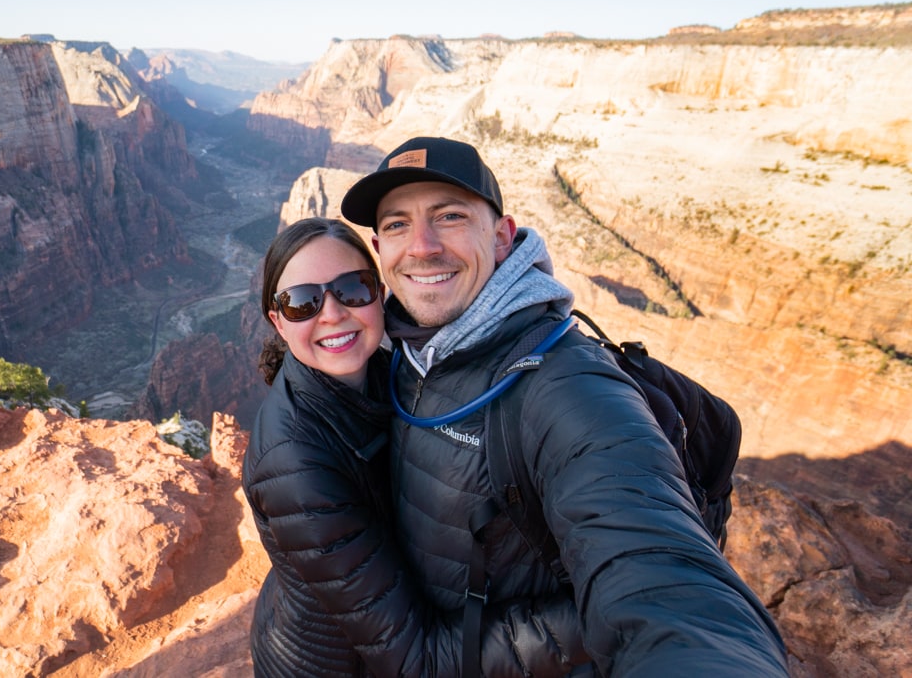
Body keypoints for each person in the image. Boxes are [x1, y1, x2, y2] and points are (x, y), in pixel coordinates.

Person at [338, 136, 790, 676]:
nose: (423, 245)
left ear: (503, 238)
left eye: (450, 216)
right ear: (377, 248)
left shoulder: (566, 385)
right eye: (397, 225)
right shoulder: (399, 347)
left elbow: (663, 578)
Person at [242, 216, 589, 678]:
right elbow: (415, 661)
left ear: (379, 294)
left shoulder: (392, 372)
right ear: (279, 323)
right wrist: (598, 616)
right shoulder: (294, 465)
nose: (331, 314)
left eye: (352, 289)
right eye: (302, 302)